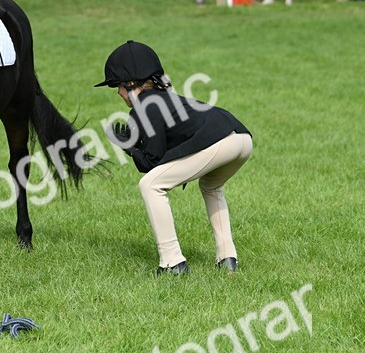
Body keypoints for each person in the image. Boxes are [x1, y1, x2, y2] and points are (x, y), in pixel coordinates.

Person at [98, 41, 253, 276]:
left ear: (132, 84)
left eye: (118, 86)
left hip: (220, 142)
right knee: (210, 186)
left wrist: (128, 147)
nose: (118, 93)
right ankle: (227, 258)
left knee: (151, 185)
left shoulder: (146, 106)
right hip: (241, 138)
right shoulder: (162, 99)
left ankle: (172, 263)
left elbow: (152, 162)